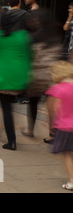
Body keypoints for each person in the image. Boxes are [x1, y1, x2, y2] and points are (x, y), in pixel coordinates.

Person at [0, 13, 32, 151]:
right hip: (18, 79)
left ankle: (12, 141)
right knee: (10, 107)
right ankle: (4, 130)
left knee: (6, 109)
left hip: (0, 79)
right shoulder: (22, 36)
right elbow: (29, 56)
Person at [21, 9, 63, 139]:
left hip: (37, 76)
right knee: (51, 105)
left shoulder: (34, 37)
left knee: (33, 103)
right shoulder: (55, 35)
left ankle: (30, 130)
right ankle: (52, 133)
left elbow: (29, 56)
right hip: (52, 77)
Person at [45, 61, 73, 191]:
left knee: (67, 154)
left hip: (65, 127)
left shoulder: (57, 89)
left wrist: (51, 128)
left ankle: (72, 181)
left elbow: (54, 110)